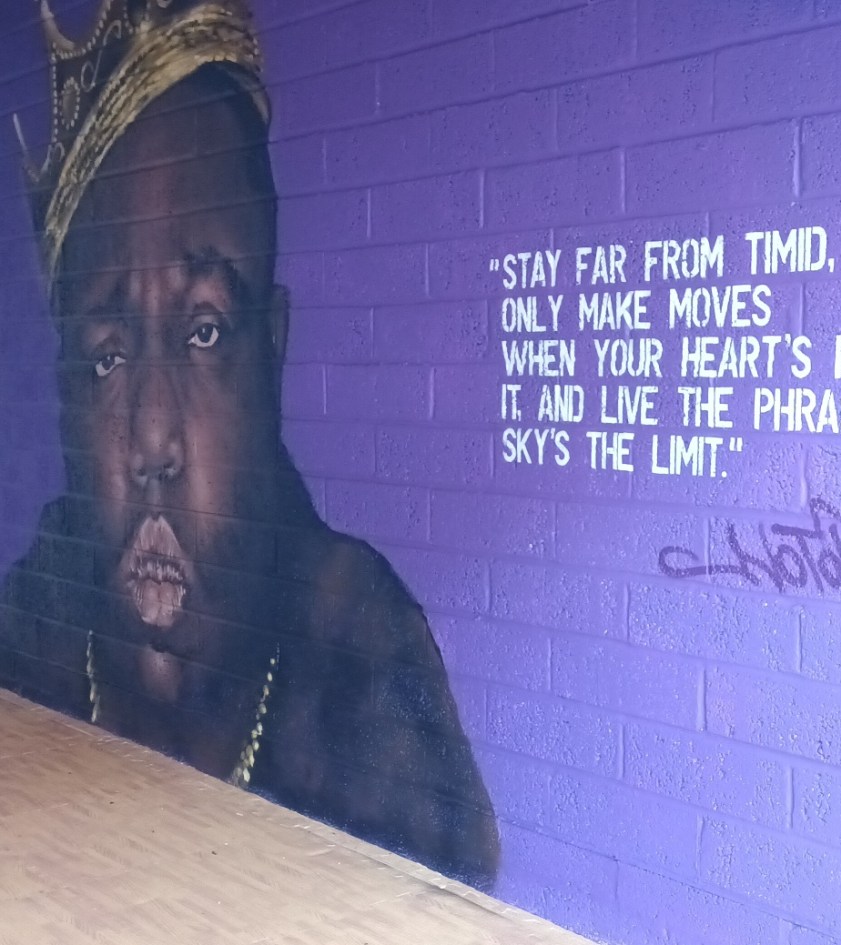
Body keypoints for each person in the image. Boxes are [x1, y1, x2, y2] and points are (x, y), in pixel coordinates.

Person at [0, 0, 498, 888]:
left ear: (271, 350)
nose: (151, 438)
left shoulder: (364, 676)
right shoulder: (27, 630)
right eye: (108, 356)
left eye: (203, 331)